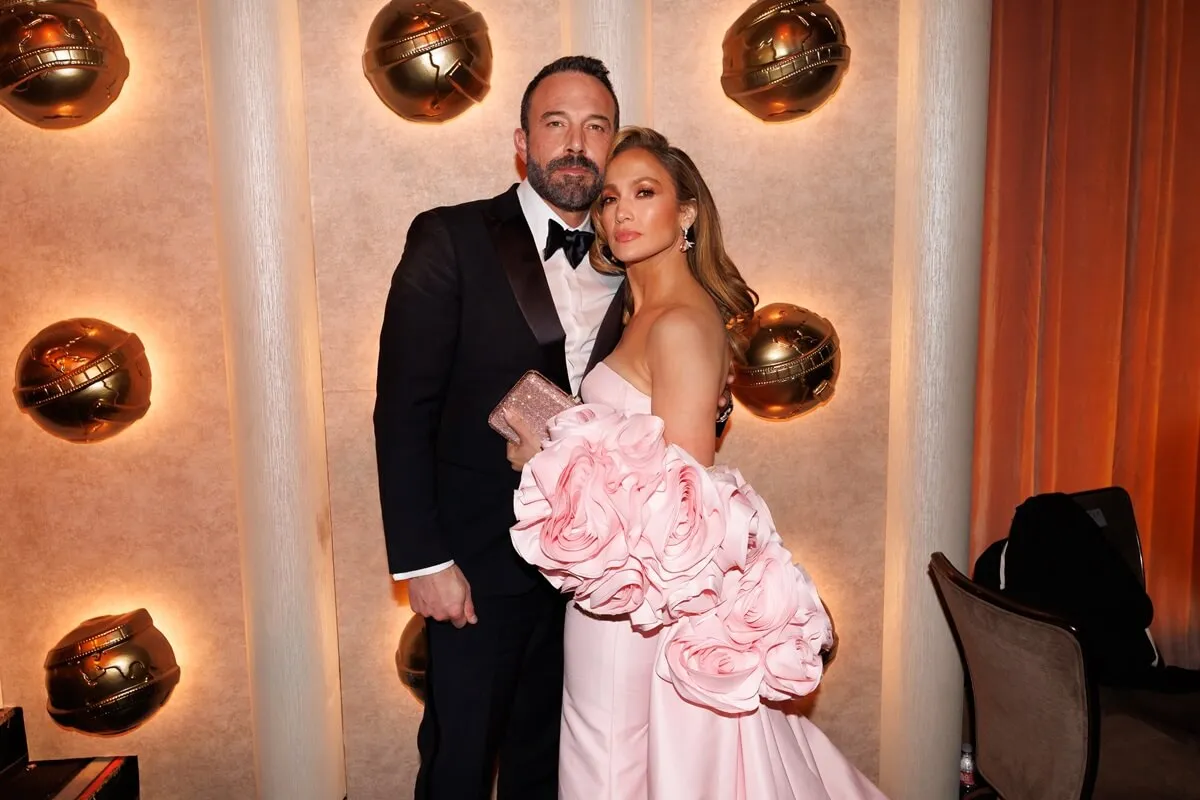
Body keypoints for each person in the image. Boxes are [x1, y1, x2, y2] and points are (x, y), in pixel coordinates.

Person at [375, 59, 730, 799]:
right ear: (522, 141)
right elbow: (402, 408)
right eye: (556, 124)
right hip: (472, 571)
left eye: (595, 126)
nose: (576, 142)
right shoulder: (450, 237)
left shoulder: (632, 261)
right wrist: (422, 562)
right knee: (459, 766)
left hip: (591, 588)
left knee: (555, 770)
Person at [507, 127, 888, 799]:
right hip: (615, 597)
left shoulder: (680, 323)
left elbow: (680, 502)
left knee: (615, 771)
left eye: (645, 193)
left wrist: (549, 458)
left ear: (686, 213)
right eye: (609, 199)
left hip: (640, 607)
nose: (620, 214)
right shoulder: (641, 309)